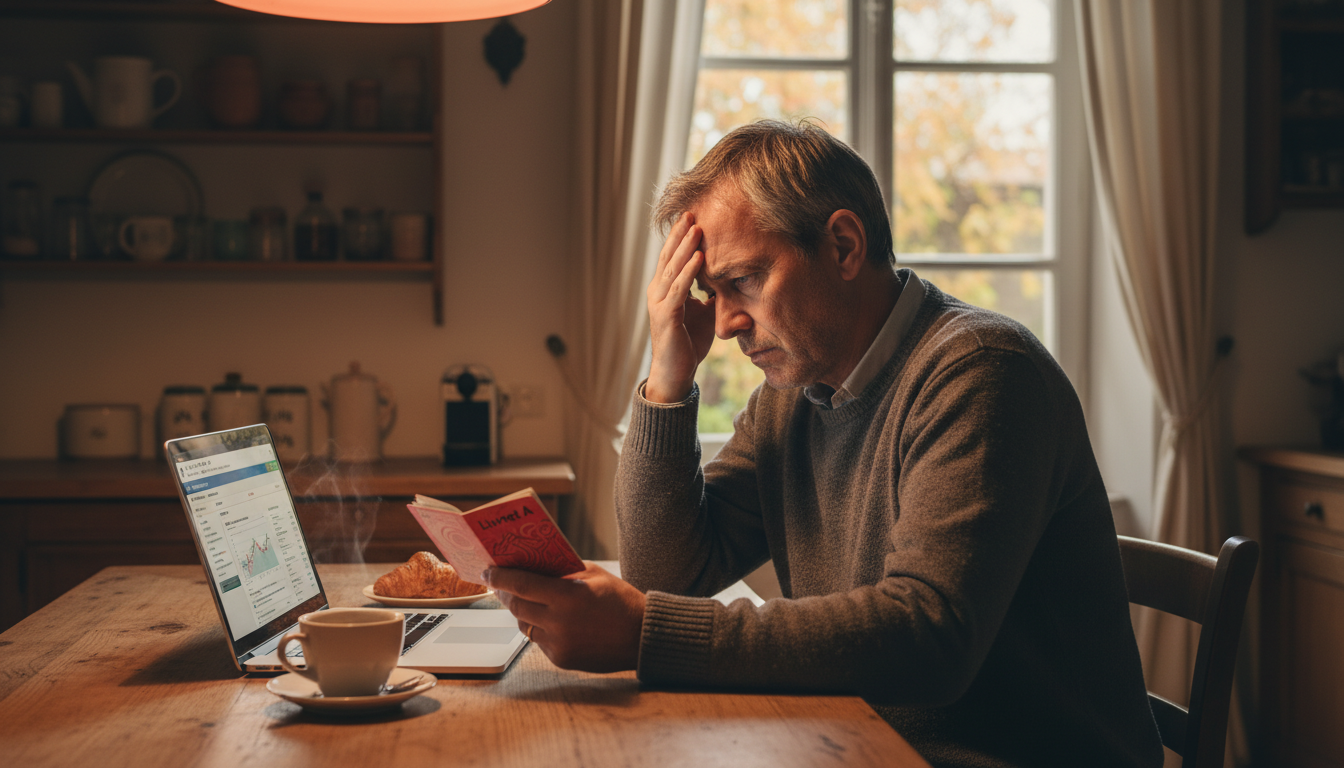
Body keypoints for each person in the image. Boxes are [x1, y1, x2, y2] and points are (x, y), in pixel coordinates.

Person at [483, 120, 1164, 767]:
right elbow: (669, 576)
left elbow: (930, 638)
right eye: (709, 292)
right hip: (853, 742)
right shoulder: (791, 399)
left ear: (842, 246)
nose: (723, 325)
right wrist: (668, 381)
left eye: (743, 281)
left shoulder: (983, 371)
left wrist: (644, 634)